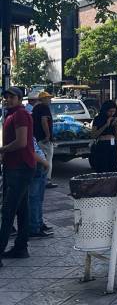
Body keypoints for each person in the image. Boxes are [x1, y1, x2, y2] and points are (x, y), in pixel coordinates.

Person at [0, 87, 37, 267]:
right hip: (15, 166)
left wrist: (2, 150)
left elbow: (21, 142)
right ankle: (21, 248)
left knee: (7, 211)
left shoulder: (20, 114)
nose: (8, 99)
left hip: (20, 168)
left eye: (12, 97)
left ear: (20, 99)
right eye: (6, 97)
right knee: (22, 210)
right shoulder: (11, 114)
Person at [31, 91, 56, 189]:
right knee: (48, 159)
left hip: (37, 137)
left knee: (41, 160)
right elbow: (44, 121)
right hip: (44, 139)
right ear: (43, 99)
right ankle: (47, 180)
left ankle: (41, 179)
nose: (50, 100)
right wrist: (48, 135)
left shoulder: (35, 108)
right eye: (48, 98)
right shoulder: (44, 107)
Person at [28, 138, 52, 238]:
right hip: (36, 164)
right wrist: (44, 162)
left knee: (38, 198)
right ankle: (34, 227)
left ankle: (39, 223)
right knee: (34, 199)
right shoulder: (24, 129)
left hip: (39, 164)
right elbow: (29, 150)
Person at [90, 100, 117, 173]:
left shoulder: (114, 118)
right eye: (110, 111)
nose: (112, 113)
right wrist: (106, 125)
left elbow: (116, 136)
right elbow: (93, 135)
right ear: (105, 110)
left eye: (114, 111)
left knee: (114, 167)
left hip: (113, 145)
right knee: (103, 168)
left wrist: (115, 125)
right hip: (102, 145)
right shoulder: (98, 119)